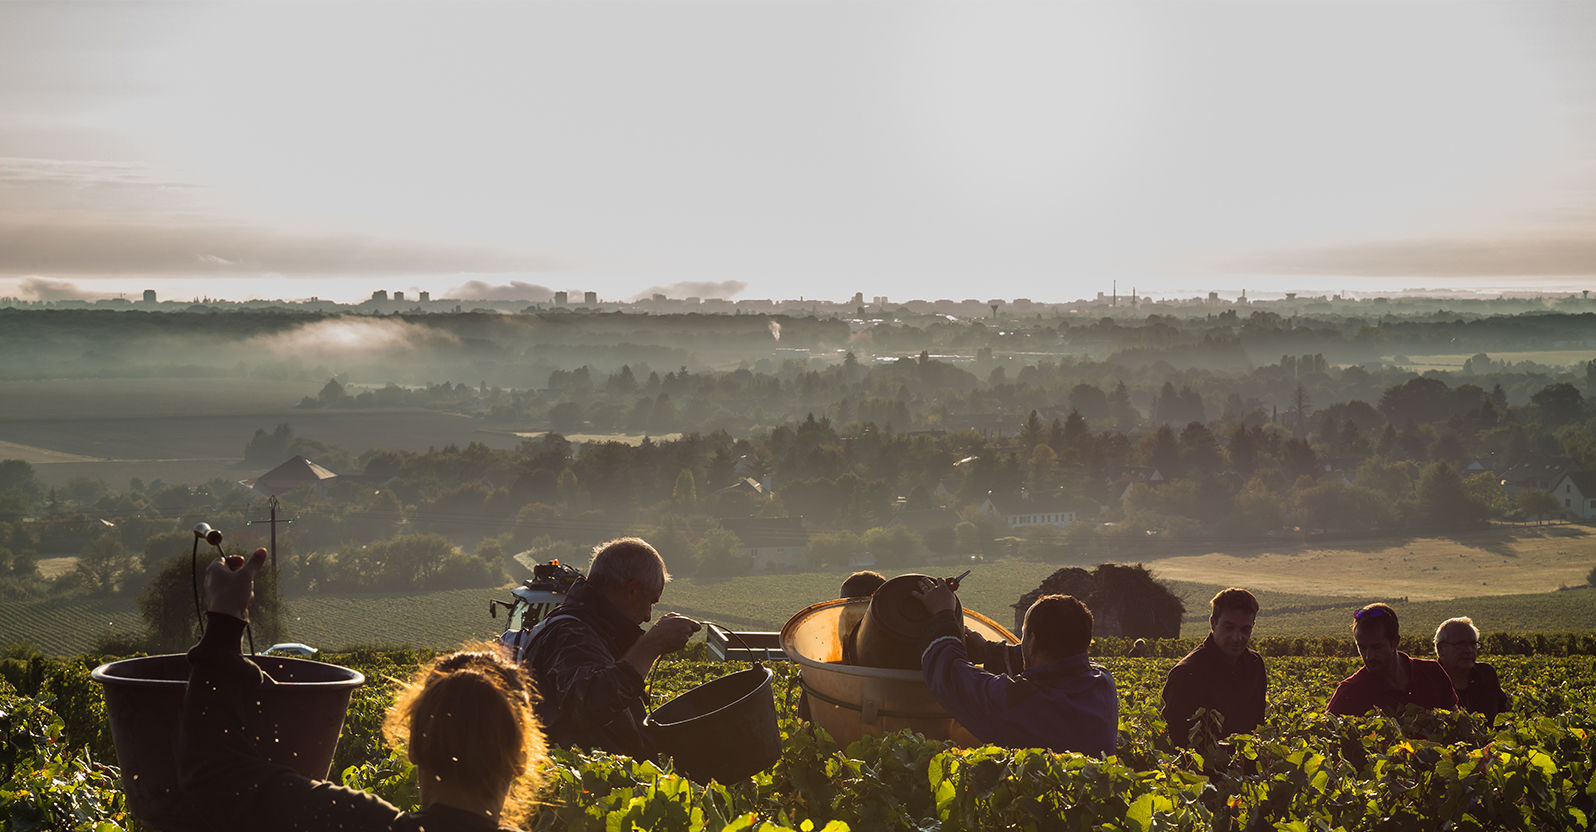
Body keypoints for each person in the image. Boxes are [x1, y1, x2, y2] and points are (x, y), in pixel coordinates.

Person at [180, 548, 546, 831]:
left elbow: (216, 778)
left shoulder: (355, 823)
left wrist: (227, 618)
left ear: (414, 746)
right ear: (521, 759)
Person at [523, 537, 700, 758]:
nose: (647, 616)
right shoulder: (571, 635)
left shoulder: (596, 632)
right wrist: (650, 646)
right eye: (651, 602)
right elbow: (590, 704)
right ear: (633, 590)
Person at [912, 579, 1117, 756]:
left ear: (1033, 642)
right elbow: (1061, 663)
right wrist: (988, 651)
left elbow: (949, 675)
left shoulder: (1023, 703)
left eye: (1024, 635)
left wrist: (943, 616)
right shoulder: (1103, 682)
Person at [1161, 588, 1266, 747]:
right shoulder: (1186, 673)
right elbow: (1177, 742)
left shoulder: (1254, 664)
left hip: (1247, 768)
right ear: (1213, 623)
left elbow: (1257, 723)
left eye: (1245, 629)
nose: (1237, 637)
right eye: (1228, 627)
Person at [1327, 603, 1456, 716]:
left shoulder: (1432, 673)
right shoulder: (1349, 692)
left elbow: (1457, 724)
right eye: (1362, 647)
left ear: (1395, 641)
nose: (1368, 656)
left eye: (1376, 647)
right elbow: (1323, 733)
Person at [1434, 616, 1509, 724]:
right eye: (1460, 644)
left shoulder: (1487, 674)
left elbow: (1504, 716)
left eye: (1473, 644)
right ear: (1441, 649)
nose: (1469, 650)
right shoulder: (1429, 680)